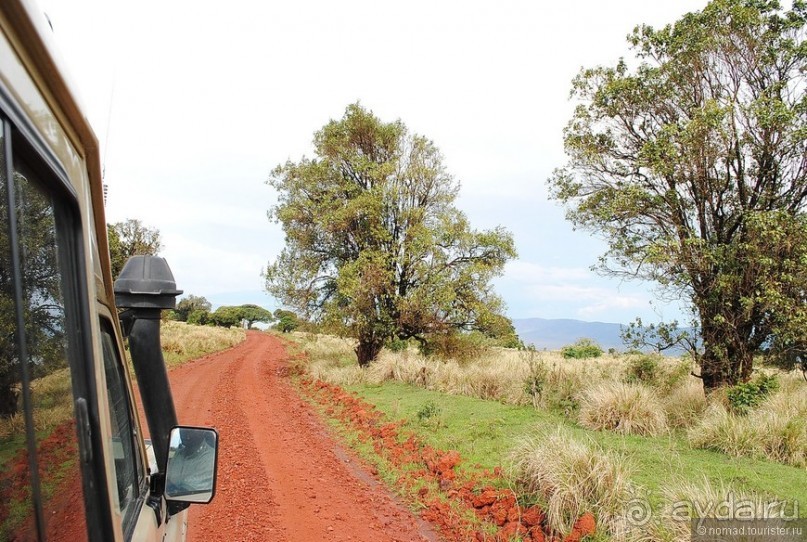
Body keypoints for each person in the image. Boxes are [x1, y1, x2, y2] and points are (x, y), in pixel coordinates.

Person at [165, 428, 216, 497]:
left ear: (203, 432)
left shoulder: (210, 459)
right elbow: (168, 479)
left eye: (193, 429)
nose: (185, 431)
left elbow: (186, 492)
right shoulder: (179, 453)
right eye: (182, 429)